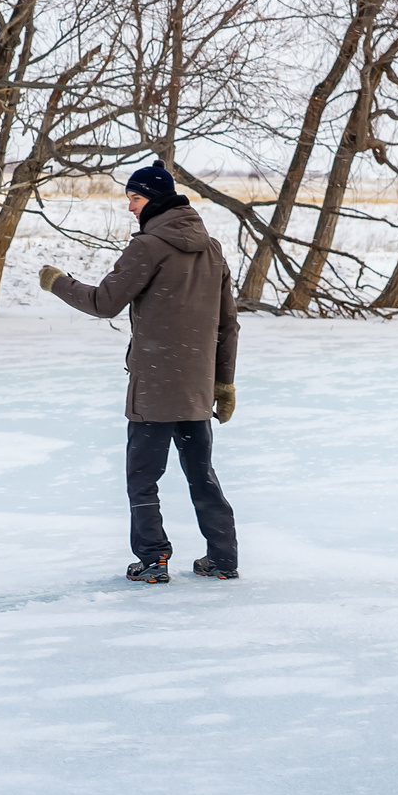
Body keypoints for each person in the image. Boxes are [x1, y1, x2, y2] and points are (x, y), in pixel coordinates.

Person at [40, 160, 241, 583]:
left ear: (156, 198)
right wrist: (224, 381)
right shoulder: (212, 248)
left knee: (142, 478)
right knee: (201, 475)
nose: (131, 207)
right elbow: (228, 323)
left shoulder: (148, 247)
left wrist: (58, 282)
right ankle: (223, 558)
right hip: (195, 391)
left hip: (153, 391)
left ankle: (153, 560)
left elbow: (104, 303)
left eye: (135, 198)